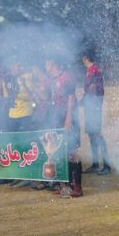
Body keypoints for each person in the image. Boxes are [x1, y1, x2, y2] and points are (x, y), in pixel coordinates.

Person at [43, 58, 83, 197]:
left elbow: (71, 97)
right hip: (56, 119)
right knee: (58, 152)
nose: (45, 64)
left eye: (46, 62)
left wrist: (69, 118)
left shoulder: (66, 77)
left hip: (69, 118)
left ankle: (76, 186)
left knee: (72, 152)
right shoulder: (49, 79)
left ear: (53, 62)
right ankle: (64, 186)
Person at [81, 50, 111, 176]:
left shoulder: (93, 70)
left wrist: (84, 100)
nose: (82, 60)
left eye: (83, 57)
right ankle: (95, 164)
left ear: (86, 58)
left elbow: (92, 89)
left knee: (97, 135)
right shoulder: (91, 70)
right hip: (91, 106)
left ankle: (106, 165)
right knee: (92, 135)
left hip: (93, 106)